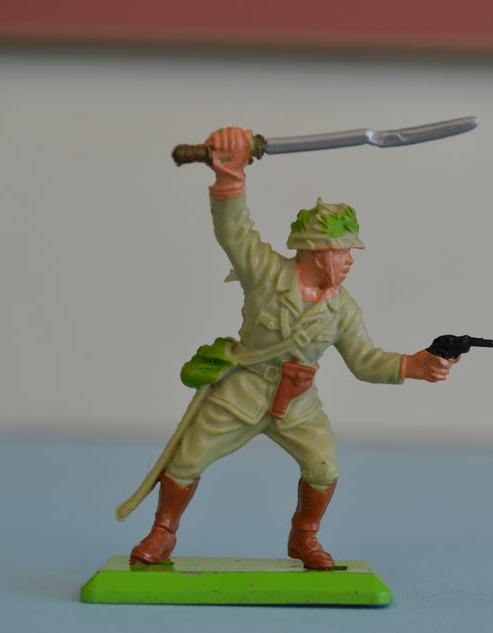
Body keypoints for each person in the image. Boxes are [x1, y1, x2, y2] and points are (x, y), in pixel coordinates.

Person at [130, 127, 455, 569]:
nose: (350, 260)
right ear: (318, 252)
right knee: (187, 458)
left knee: (324, 466)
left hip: (298, 401)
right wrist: (230, 173)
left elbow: (365, 361)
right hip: (242, 389)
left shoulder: (343, 308)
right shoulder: (266, 275)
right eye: (343, 251)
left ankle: (304, 537)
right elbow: (234, 232)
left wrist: (414, 365)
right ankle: (163, 533)